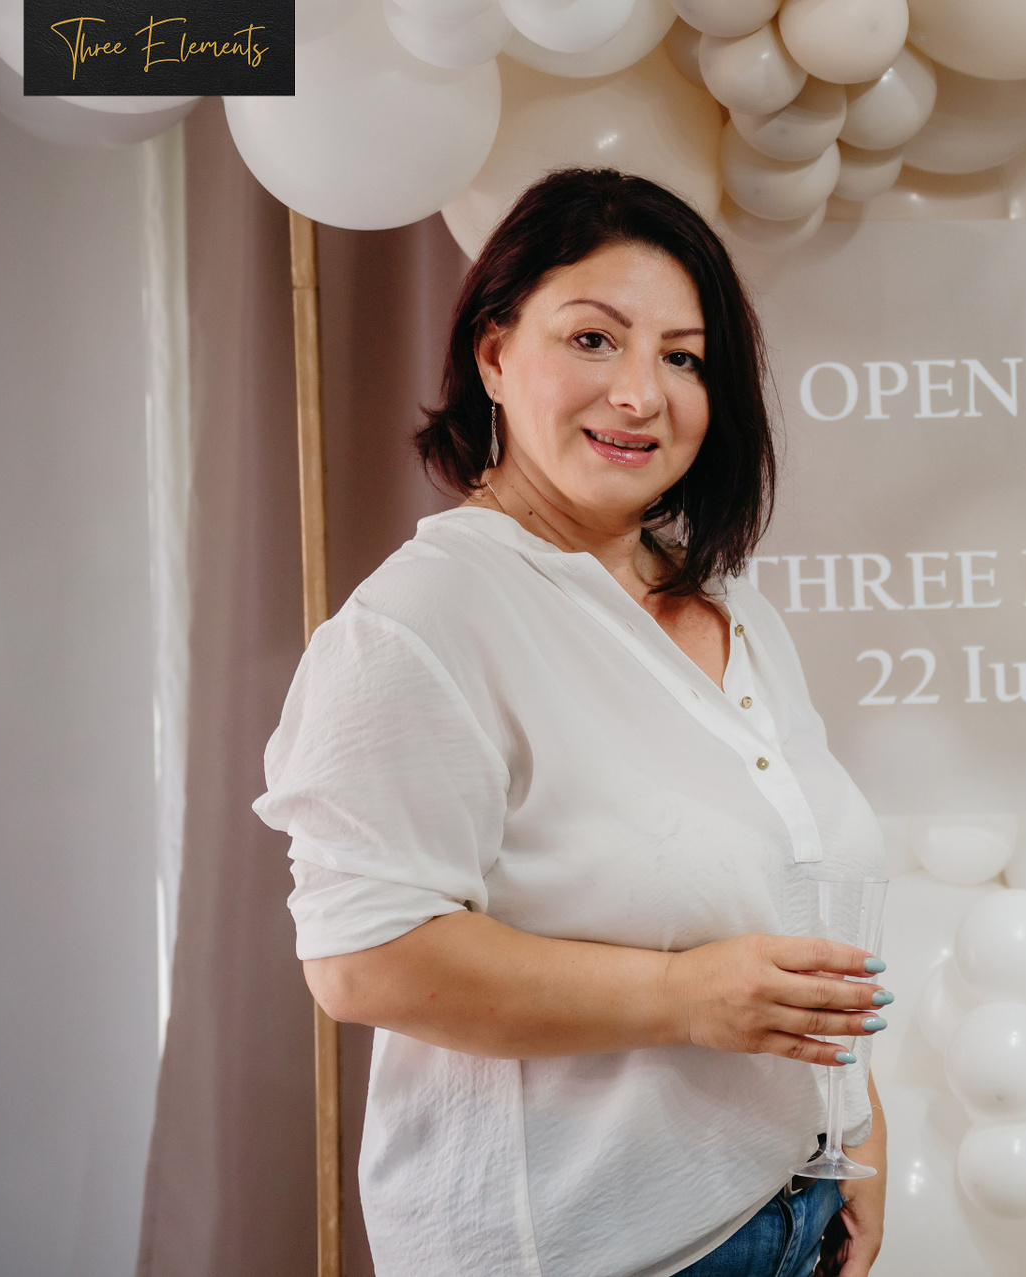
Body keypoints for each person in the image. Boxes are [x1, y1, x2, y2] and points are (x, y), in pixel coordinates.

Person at [253, 168, 891, 1277]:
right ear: (494, 354)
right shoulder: (422, 621)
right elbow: (363, 959)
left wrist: (853, 1125)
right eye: (594, 339)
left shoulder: (731, 604)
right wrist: (682, 996)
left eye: (683, 357)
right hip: (593, 1247)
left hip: (787, 1211)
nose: (641, 392)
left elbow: (797, 881)